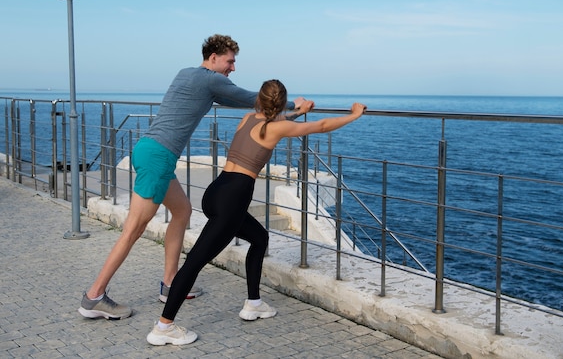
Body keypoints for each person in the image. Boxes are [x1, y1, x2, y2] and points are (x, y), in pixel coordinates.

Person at [79, 35, 306, 320]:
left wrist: (278, 113)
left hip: (149, 151)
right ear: (213, 57)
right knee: (133, 230)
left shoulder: (188, 74)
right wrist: (295, 110)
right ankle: (94, 296)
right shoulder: (212, 80)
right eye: (230, 61)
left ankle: (170, 282)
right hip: (159, 158)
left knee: (182, 211)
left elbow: (244, 104)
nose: (232, 68)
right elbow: (259, 101)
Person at [146, 79, 366, 346]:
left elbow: (277, 120)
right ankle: (164, 327)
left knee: (260, 239)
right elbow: (319, 126)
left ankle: (254, 303)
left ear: (260, 100)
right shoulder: (277, 127)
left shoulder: (248, 117)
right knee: (194, 262)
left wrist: (297, 111)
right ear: (280, 102)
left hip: (216, 191)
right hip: (233, 201)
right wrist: (353, 114)